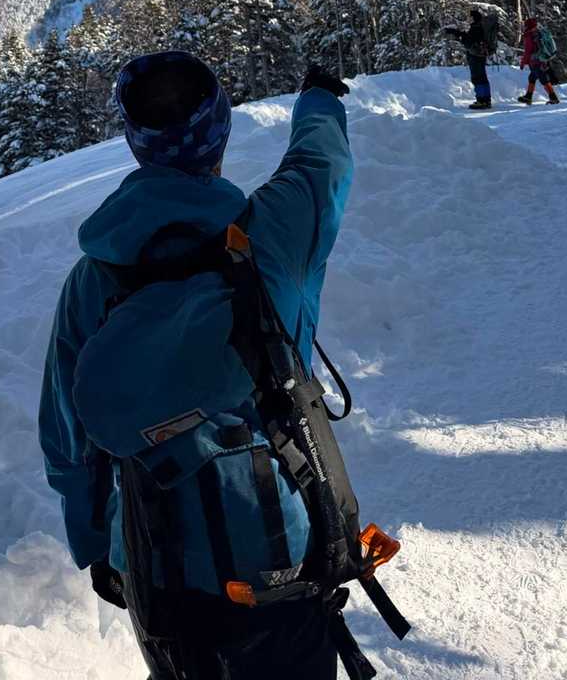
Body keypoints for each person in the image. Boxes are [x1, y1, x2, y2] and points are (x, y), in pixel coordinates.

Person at [38, 52, 355, 680]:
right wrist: (319, 98)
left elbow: (68, 438)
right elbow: (322, 163)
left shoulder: (92, 282)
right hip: (279, 554)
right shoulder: (278, 232)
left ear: (137, 144)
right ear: (222, 130)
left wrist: (99, 546)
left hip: (157, 564)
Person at [444, 8, 493, 110]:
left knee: (477, 78)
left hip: (475, 56)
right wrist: (460, 33)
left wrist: (457, 34)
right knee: (482, 77)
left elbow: (468, 42)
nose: (468, 19)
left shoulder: (475, 28)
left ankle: (481, 101)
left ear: (473, 18)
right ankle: (486, 99)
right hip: (481, 55)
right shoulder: (480, 27)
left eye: (470, 17)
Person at [518, 17, 560, 105]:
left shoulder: (529, 35)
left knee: (543, 79)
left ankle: (553, 98)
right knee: (532, 77)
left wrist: (522, 63)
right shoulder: (538, 33)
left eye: (525, 25)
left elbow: (528, 51)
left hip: (536, 61)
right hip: (542, 60)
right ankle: (528, 97)